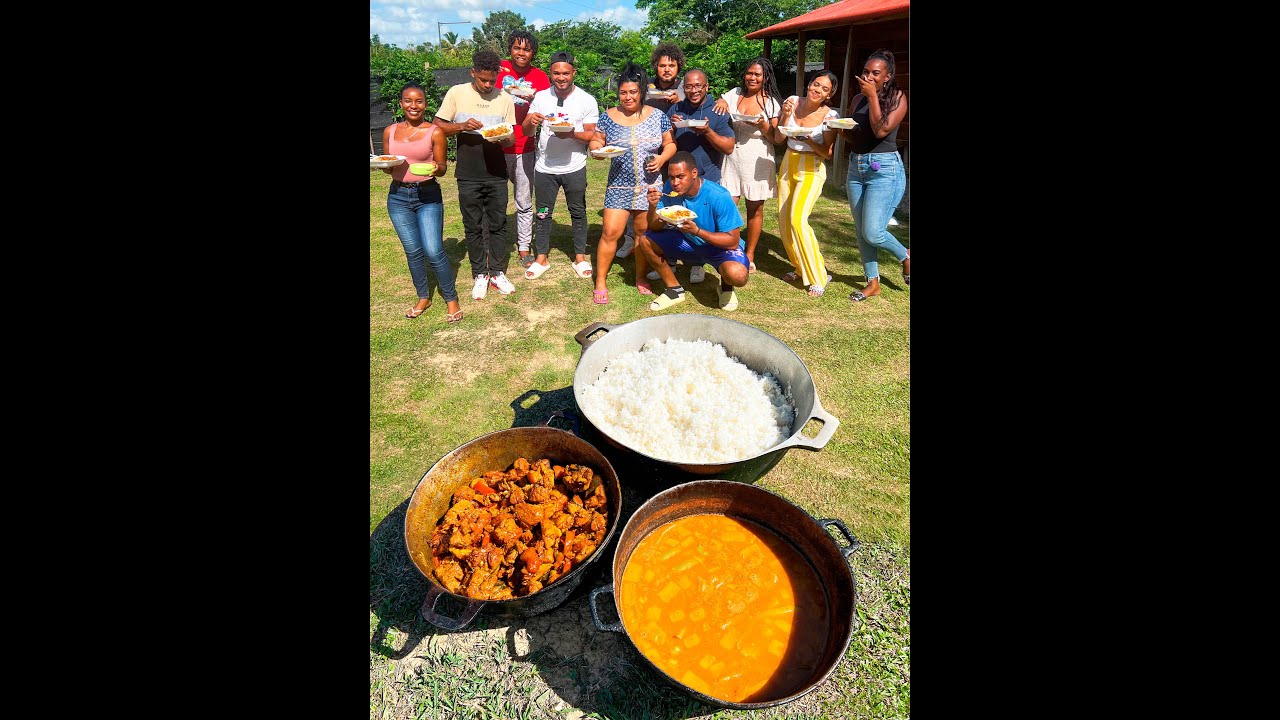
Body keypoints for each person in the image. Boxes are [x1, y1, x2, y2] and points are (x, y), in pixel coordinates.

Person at [586, 62, 676, 304]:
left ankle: (640, 277)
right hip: (618, 185)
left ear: (642, 92)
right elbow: (596, 141)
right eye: (623, 92)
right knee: (610, 232)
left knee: (641, 234)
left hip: (650, 186)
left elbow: (670, 143)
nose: (627, 97)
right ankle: (601, 281)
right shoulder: (608, 117)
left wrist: (662, 158)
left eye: (633, 92)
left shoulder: (657, 116)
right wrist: (597, 150)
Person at [432, 50, 517, 300]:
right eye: (483, 80)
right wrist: (461, 126)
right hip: (468, 173)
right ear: (473, 73)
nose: (488, 85)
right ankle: (480, 273)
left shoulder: (505, 98)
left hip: (497, 173)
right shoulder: (456, 93)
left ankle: (497, 272)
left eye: (492, 80)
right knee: (473, 225)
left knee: (498, 224)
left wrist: (503, 136)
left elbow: (511, 137)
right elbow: (437, 126)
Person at [378, 83, 463, 323]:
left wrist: (437, 168)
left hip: (427, 196)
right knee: (413, 251)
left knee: (434, 251)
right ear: (401, 103)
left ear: (425, 104)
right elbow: (388, 167)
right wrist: (386, 166)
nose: (413, 106)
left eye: (419, 101)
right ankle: (423, 296)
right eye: (408, 101)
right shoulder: (389, 131)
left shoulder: (435, 131)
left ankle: (451, 299)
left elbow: (443, 168)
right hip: (397, 197)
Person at [521, 51, 599, 281]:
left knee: (578, 211)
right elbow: (527, 131)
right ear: (550, 74)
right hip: (545, 167)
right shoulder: (541, 97)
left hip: (574, 166)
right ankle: (541, 257)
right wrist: (529, 121)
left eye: (566, 73)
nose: (561, 77)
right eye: (556, 73)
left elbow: (592, 134)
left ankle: (580, 256)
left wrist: (571, 133)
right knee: (543, 213)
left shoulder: (587, 100)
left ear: (574, 72)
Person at [839, 49, 910, 302]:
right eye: (866, 71)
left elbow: (882, 131)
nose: (869, 77)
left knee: (873, 231)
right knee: (861, 230)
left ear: (887, 76)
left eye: (875, 73)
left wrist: (872, 97)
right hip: (856, 166)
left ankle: (906, 255)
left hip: (884, 170)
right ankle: (872, 282)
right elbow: (858, 134)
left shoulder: (899, 98)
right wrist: (840, 128)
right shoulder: (858, 98)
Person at [638, 151, 749, 312]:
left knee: (737, 275)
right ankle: (674, 290)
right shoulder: (669, 189)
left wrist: (697, 231)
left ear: (694, 173)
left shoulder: (719, 196)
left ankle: (726, 287)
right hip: (689, 242)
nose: (675, 182)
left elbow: (732, 241)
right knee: (645, 241)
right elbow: (654, 227)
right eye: (671, 177)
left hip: (720, 247)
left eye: (680, 176)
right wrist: (653, 207)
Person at [710, 57, 783, 275]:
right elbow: (718, 105)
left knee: (754, 208)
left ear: (766, 77)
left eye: (757, 74)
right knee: (726, 205)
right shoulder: (734, 94)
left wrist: (763, 124)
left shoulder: (771, 103)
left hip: (758, 157)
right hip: (733, 156)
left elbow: (776, 138)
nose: (752, 77)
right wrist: (721, 101)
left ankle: (750, 254)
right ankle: (727, 248)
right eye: (749, 73)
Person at [665, 68, 735, 287]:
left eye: (698, 86)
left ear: (706, 87)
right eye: (689, 86)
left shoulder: (718, 110)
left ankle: (698, 262)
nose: (693, 90)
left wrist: (707, 132)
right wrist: (672, 127)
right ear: (683, 88)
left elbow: (729, 147)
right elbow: (667, 139)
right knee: (673, 217)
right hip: (679, 177)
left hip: (707, 178)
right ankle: (672, 259)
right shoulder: (676, 108)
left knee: (701, 223)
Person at [617, 42, 687, 260]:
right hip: (646, 150)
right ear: (656, 66)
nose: (666, 69)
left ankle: (672, 240)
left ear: (678, 67)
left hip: (676, 149)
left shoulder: (686, 87)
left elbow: (704, 99)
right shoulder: (644, 85)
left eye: (672, 65)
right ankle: (632, 238)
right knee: (639, 195)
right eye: (662, 65)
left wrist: (681, 98)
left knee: (671, 195)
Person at [776, 70, 839, 297]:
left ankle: (819, 276)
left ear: (829, 95)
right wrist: (784, 117)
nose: (817, 90)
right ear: (809, 84)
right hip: (788, 163)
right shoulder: (792, 102)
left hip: (811, 168)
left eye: (824, 89)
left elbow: (828, 153)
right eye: (815, 84)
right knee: (784, 222)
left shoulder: (830, 116)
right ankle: (800, 267)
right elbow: (778, 138)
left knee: (797, 220)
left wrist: (810, 139)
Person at [496, 30, 551, 271]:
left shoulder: (539, 77)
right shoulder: (499, 70)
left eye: (526, 49)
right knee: (495, 201)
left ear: (533, 52)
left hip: (524, 147)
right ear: (510, 49)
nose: (521, 53)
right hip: (495, 146)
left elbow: (547, 104)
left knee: (524, 200)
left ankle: (524, 246)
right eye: (517, 48)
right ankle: (493, 244)